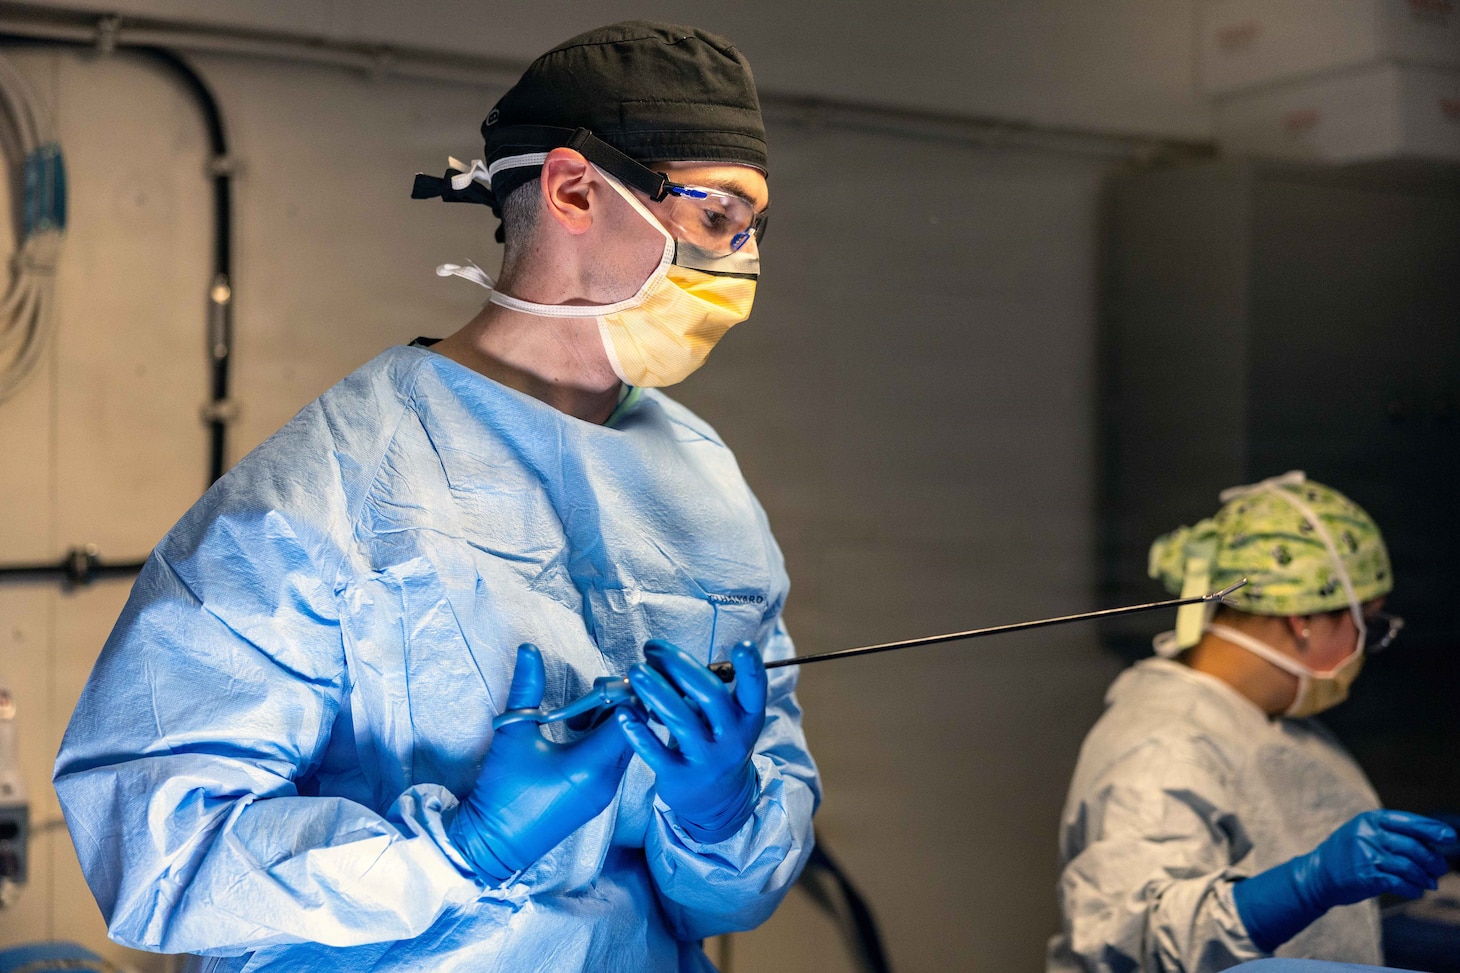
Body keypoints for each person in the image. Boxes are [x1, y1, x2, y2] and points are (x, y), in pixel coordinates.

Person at [53, 22, 819, 972]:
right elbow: (156, 852)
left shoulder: (707, 486)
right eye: (718, 215)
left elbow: (736, 887)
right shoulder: (330, 489)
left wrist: (720, 813)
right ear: (576, 188)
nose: (742, 261)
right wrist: (468, 849)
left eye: (754, 229)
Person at [1047, 471, 1455, 972]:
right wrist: (1313, 881)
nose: (1366, 646)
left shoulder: (1266, 716)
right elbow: (1141, 941)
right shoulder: (1162, 745)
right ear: (1301, 619)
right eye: (1365, 622)